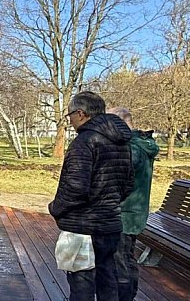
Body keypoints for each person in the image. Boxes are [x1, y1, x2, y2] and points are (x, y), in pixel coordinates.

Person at [49, 91, 134, 301]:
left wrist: (55, 208)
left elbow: (75, 188)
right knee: (107, 279)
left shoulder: (84, 142)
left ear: (81, 113)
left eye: (69, 115)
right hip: (110, 224)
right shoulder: (122, 142)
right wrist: (110, 203)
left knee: (82, 282)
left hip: (83, 227)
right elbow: (128, 183)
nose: (69, 121)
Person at [108, 107, 159, 301]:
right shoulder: (138, 144)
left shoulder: (132, 148)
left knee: (121, 259)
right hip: (132, 211)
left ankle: (124, 296)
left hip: (125, 212)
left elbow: (119, 175)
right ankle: (126, 294)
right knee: (125, 257)